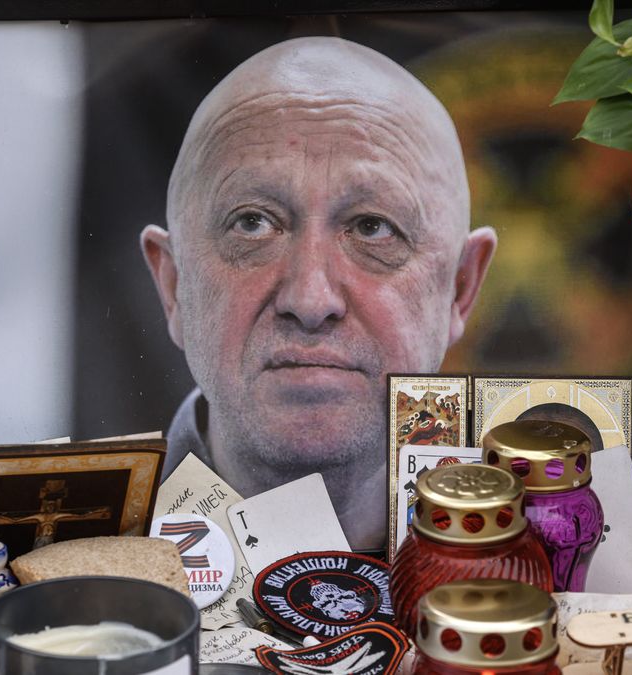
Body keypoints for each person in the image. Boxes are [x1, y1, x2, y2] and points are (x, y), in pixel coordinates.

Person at [140, 37, 497, 551]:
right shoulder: (48, 566)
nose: (310, 301)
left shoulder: (563, 559)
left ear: (460, 288)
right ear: (173, 285)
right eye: (253, 224)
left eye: (374, 228)